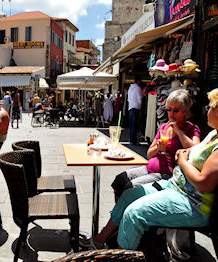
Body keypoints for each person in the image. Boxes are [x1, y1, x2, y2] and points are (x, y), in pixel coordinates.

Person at [80, 88, 218, 252]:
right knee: (127, 194)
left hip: (191, 200)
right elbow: (187, 151)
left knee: (134, 212)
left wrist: (182, 161)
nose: (207, 109)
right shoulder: (212, 135)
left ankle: (122, 251)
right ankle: (101, 239)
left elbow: (203, 184)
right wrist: (183, 153)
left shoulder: (198, 133)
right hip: (174, 185)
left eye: (211, 107)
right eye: (168, 110)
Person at [111, 89, 200, 200]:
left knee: (131, 187)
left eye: (175, 110)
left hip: (166, 173)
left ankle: (120, 215)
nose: (171, 114)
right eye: (168, 109)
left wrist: (178, 131)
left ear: (185, 111)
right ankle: (118, 212)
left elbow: (197, 149)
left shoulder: (191, 128)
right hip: (149, 168)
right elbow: (149, 155)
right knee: (119, 180)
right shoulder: (164, 127)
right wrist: (158, 147)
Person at [128, 76, 143, 145]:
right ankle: (133, 140)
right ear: (138, 81)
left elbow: (128, 99)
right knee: (134, 124)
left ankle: (131, 139)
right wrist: (141, 106)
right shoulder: (138, 88)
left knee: (131, 124)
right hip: (136, 107)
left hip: (130, 107)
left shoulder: (130, 88)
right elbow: (140, 98)